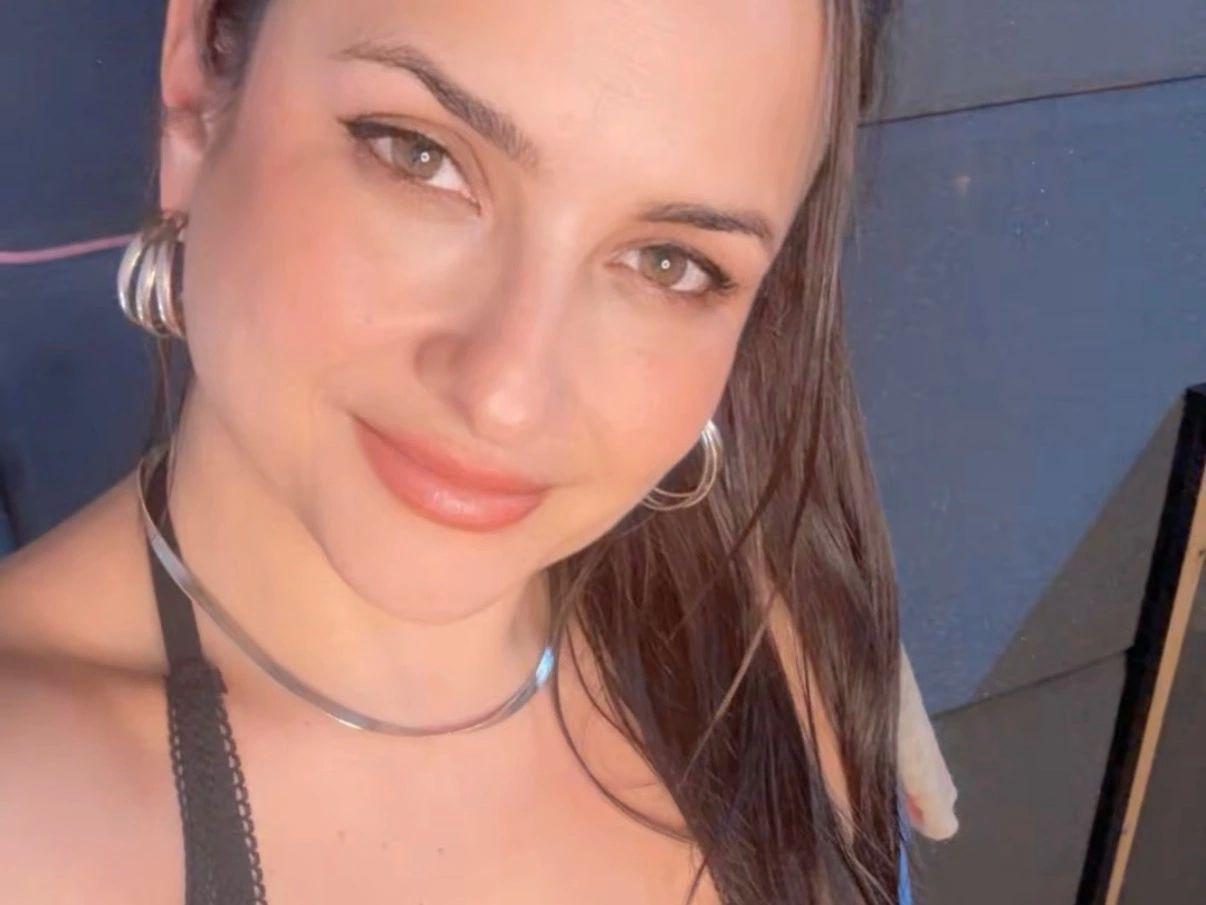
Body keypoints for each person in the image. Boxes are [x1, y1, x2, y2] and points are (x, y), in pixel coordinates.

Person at [0, 0, 908, 901]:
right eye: (419, 155)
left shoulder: (764, 656)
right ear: (200, 84)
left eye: (669, 262)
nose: (507, 398)